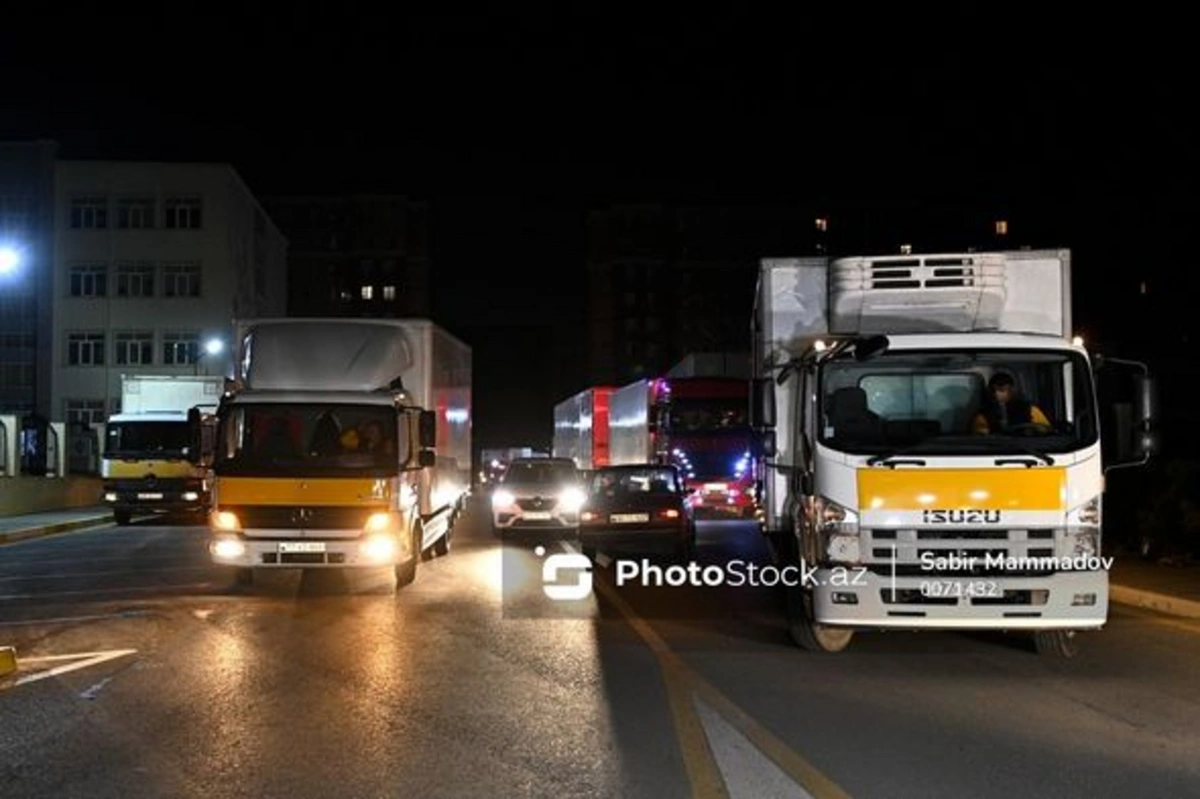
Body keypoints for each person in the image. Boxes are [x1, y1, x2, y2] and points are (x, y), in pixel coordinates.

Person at [973, 372, 1051, 434]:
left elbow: (1046, 430)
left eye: (1001, 390)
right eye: (993, 390)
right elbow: (980, 437)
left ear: (1012, 390)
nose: (997, 394)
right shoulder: (983, 415)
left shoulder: (1030, 410)